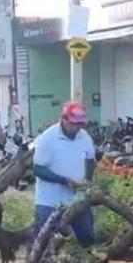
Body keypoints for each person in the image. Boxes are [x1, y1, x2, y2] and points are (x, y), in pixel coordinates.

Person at [30, 101, 97, 247]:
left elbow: (91, 160)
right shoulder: (47, 138)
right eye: (73, 123)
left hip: (77, 199)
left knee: (87, 238)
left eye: (80, 124)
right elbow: (38, 169)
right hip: (49, 201)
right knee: (48, 243)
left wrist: (87, 180)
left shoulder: (84, 137)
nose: (76, 127)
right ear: (63, 119)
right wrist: (64, 180)